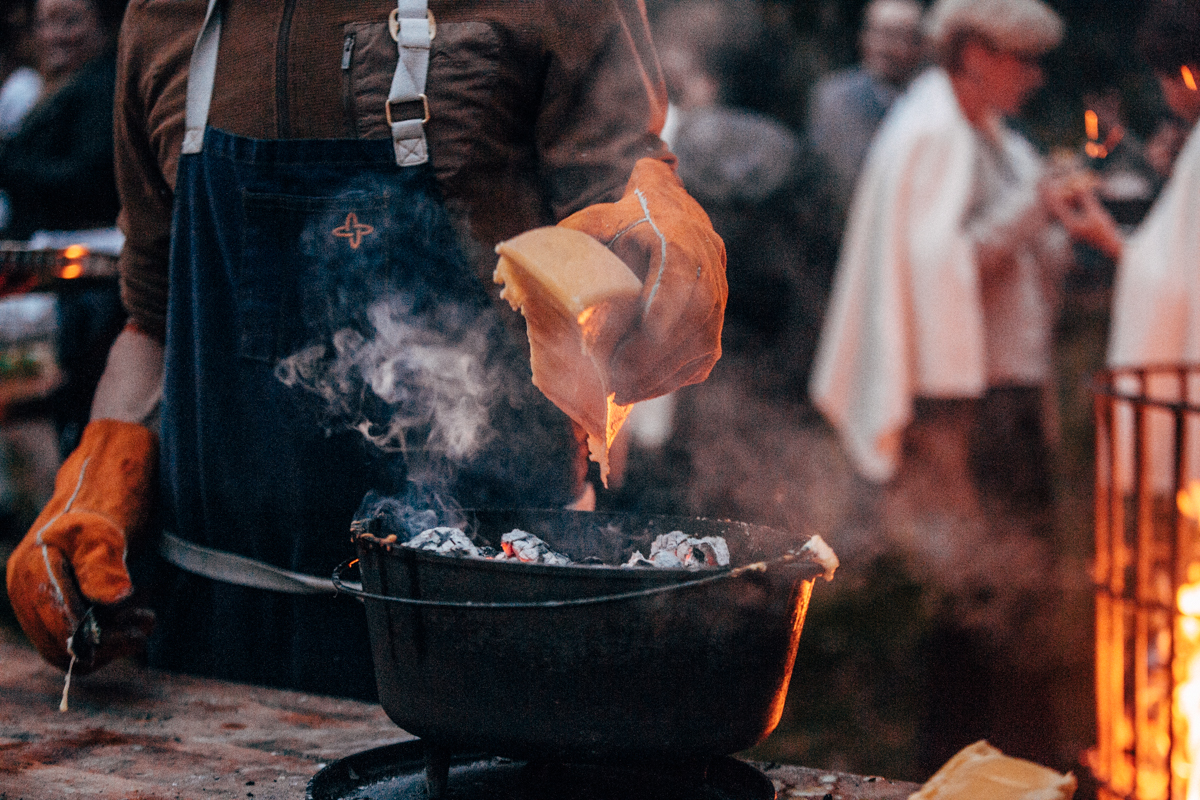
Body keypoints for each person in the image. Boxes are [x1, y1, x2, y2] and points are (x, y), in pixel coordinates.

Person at [5, 0, 727, 702]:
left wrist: (657, 239)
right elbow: (154, 319)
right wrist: (102, 467)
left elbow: (619, 213)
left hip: (488, 622)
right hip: (216, 645)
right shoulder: (166, 15)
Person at [810, 0, 1094, 771]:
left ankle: (1005, 764)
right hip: (963, 408)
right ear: (974, 54)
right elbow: (945, 273)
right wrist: (1033, 210)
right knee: (984, 601)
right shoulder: (934, 132)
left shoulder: (987, 133)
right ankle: (986, 764)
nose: (1035, 76)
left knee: (998, 599)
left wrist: (1049, 221)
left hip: (996, 400)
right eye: (1022, 58)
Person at [808, 0, 925, 208]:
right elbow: (825, 179)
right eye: (876, 33)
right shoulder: (834, 98)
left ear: (919, 44)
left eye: (895, 36)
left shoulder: (930, 101)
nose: (883, 46)